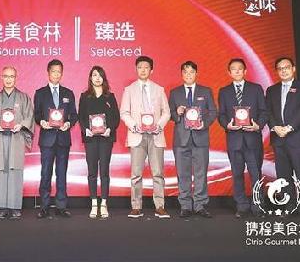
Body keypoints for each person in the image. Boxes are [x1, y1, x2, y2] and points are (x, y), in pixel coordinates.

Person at [120, 55, 171, 219]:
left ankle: (160, 206)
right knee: (136, 174)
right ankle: (136, 206)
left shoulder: (159, 89)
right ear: (136, 69)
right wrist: (134, 125)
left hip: (156, 135)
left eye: (146, 67)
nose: (143, 70)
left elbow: (167, 112)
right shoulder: (129, 90)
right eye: (140, 67)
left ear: (151, 70)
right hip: (137, 135)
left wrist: (159, 125)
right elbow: (124, 112)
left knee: (158, 173)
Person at [218, 58, 268, 218]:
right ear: (229, 72)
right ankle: (241, 206)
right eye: (234, 69)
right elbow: (221, 114)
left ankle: (257, 207)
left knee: (256, 174)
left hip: (252, 138)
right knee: (237, 175)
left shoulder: (256, 89)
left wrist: (258, 125)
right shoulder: (224, 91)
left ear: (245, 71)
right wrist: (227, 125)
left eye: (240, 68)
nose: (237, 71)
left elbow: (264, 111)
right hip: (234, 139)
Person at [265, 57, 300, 219]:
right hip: (279, 139)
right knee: (283, 176)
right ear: (277, 71)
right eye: (280, 68)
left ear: (293, 69)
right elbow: (267, 111)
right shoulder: (271, 90)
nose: (283, 70)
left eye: (286, 67)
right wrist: (275, 127)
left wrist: (290, 127)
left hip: (298, 138)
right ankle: (288, 207)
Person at [0, 66, 34, 220]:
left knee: (15, 170)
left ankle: (15, 206)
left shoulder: (24, 98)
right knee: (0, 170)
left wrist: (21, 125)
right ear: (1, 77)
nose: (8, 79)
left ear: (16, 78)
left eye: (11, 76)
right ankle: (1, 207)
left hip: (16, 138)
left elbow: (29, 116)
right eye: (6, 76)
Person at [168, 61, 217, 218]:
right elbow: (170, 114)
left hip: (200, 137)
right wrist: (177, 112)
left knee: (201, 173)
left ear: (196, 73)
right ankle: (185, 205)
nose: (188, 75)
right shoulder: (175, 93)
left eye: (191, 72)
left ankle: (200, 205)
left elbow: (213, 112)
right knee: (183, 173)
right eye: (185, 72)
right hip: (181, 139)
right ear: (181, 74)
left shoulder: (206, 91)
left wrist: (204, 124)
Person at [33, 59, 78, 219]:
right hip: (47, 139)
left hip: (63, 139)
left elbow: (74, 115)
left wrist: (68, 123)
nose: (56, 74)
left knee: (61, 173)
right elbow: (36, 114)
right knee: (45, 173)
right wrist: (41, 122)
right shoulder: (40, 93)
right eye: (54, 71)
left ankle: (61, 206)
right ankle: (44, 207)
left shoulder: (68, 93)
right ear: (48, 72)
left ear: (62, 73)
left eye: (59, 72)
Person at [78, 66, 120, 219]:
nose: (97, 78)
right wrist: (85, 129)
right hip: (90, 139)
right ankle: (94, 203)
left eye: (100, 75)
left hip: (106, 139)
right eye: (94, 75)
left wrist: (110, 129)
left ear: (104, 78)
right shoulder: (84, 96)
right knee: (92, 172)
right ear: (90, 78)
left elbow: (116, 117)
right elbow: (81, 116)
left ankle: (104, 203)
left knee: (104, 171)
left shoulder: (110, 97)